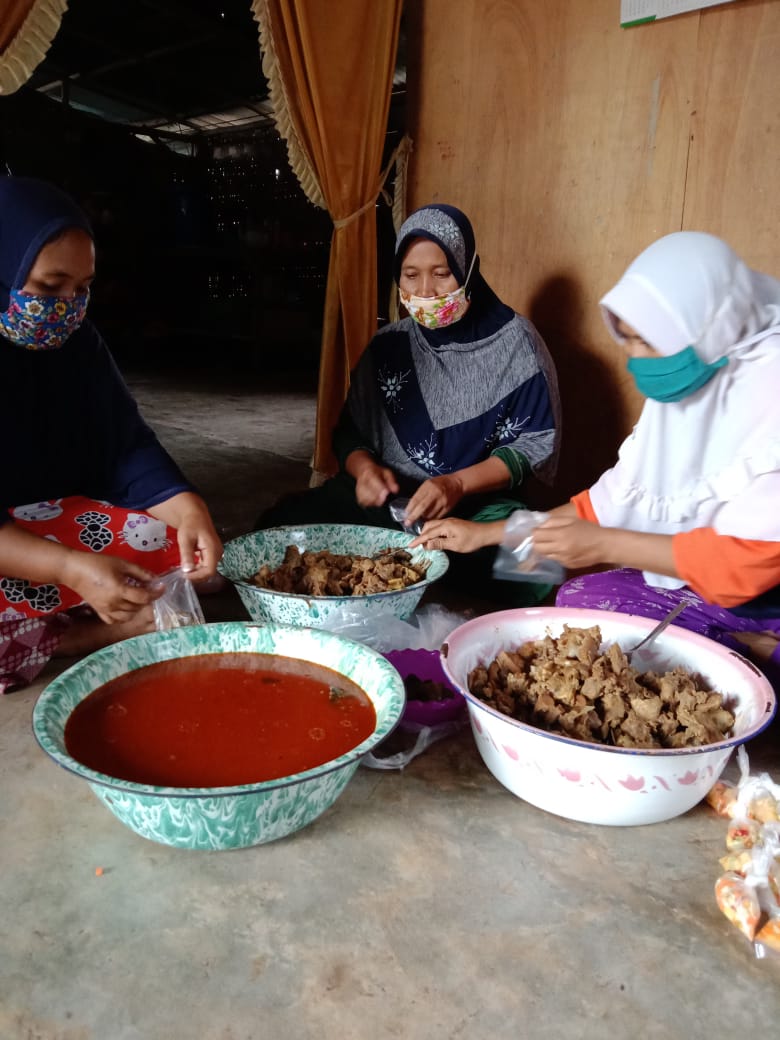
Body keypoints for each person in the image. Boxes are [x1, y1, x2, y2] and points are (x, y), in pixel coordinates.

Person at [412, 230, 780, 682]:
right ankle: (736, 647)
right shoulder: (691, 381)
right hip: (703, 586)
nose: (636, 361)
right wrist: (481, 535)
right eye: (629, 342)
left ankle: (755, 649)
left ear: (705, 325)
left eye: (648, 342)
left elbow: (742, 567)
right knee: (577, 599)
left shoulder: (770, 395)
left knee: (655, 658)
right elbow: (604, 504)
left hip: (758, 592)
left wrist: (604, 544)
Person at [256, 203, 561, 600]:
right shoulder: (390, 346)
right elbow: (350, 432)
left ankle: (435, 594)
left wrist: (455, 484)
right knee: (278, 528)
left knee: (536, 560)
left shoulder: (516, 344)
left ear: (468, 269)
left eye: (441, 273)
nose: (425, 293)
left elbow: (530, 447)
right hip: (385, 504)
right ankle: (420, 586)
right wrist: (365, 471)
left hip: (475, 506)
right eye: (411, 276)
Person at [0, 176, 222, 693]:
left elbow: (125, 445)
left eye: (83, 288)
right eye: (49, 288)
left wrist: (190, 510)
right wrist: (70, 568)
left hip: (45, 519)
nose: (67, 306)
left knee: (174, 542)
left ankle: (65, 616)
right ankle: (81, 636)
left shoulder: (78, 342)